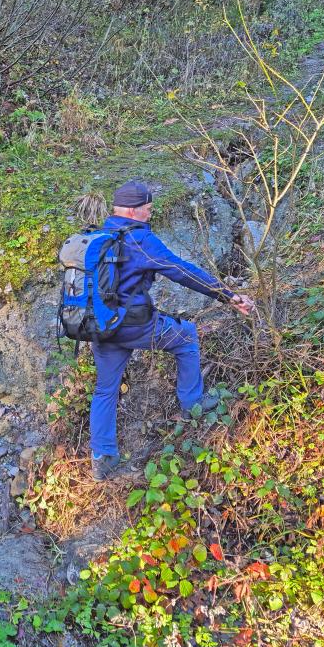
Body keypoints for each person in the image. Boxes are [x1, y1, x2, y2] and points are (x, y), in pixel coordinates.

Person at [82, 182, 254, 481]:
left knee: (105, 389)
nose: (151, 212)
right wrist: (228, 295)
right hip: (134, 325)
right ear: (134, 210)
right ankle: (192, 403)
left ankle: (102, 457)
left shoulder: (98, 236)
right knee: (186, 335)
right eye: (148, 208)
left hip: (101, 325)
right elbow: (181, 270)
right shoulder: (139, 240)